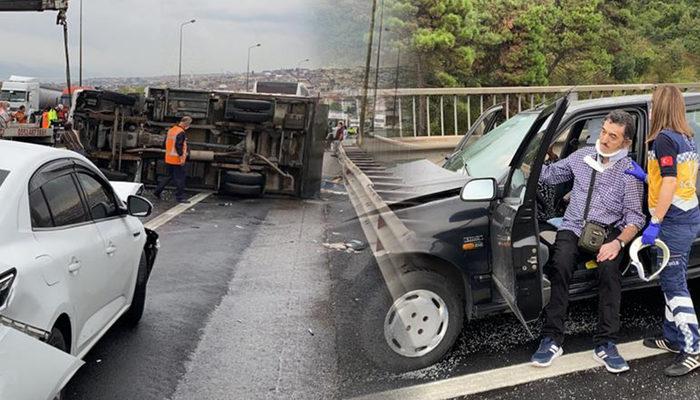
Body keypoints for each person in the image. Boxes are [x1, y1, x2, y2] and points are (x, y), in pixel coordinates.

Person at [530, 110, 645, 373]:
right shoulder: (581, 157)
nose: (604, 139)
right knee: (559, 266)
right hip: (573, 226)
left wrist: (618, 244)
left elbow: (635, 219)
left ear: (625, 143)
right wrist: (532, 157)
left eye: (612, 136)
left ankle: (606, 343)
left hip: (607, 232)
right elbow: (548, 176)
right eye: (603, 131)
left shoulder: (629, 173)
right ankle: (551, 339)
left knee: (609, 272)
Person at [625, 85, 700, 377]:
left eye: (654, 104)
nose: (651, 108)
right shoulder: (686, 137)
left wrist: (655, 221)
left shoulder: (665, 139)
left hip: (674, 220)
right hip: (687, 214)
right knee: (671, 277)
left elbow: (669, 183)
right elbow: (674, 178)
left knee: (672, 281)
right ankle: (672, 337)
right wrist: (644, 175)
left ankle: (693, 347)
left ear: (661, 107)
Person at [153, 116, 191, 203]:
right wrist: (182, 157)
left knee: (168, 176)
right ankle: (180, 197)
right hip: (177, 159)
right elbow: (179, 146)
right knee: (180, 178)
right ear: (186, 123)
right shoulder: (181, 132)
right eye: (189, 124)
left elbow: (164, 143)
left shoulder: (171, 130)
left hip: (169, 158)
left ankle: (157, 191)